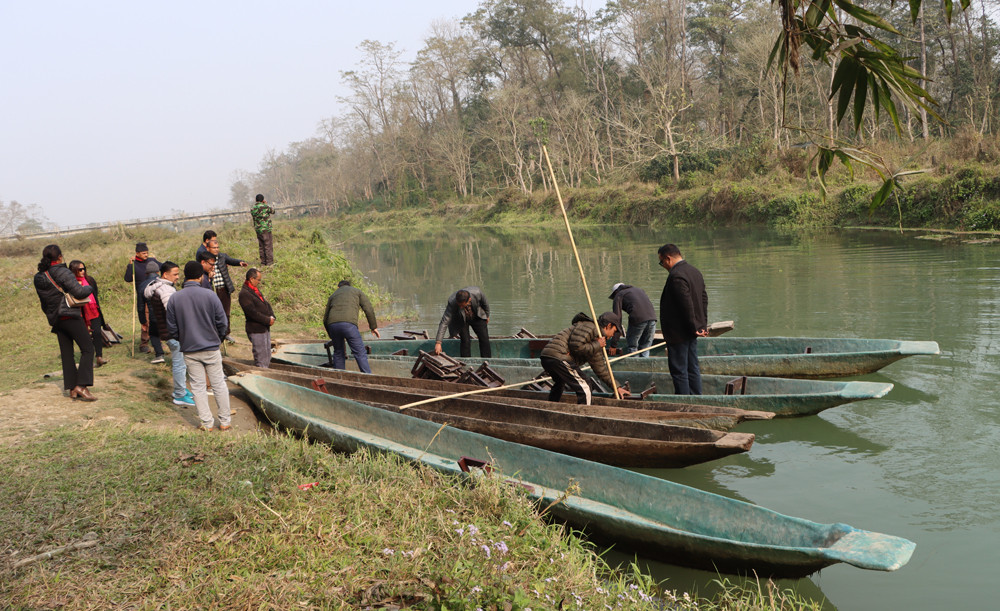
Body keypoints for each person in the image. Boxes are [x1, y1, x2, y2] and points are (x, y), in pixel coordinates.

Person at [166, 261, 232, 431]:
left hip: (189, 349)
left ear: (185, 277)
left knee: (197, 387)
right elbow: (222, 322)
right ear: (200, 276)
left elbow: (171, 328)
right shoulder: (210, 295)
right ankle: (225, 421)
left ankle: (206, 423)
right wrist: (217, 337)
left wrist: (184, 339)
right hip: (211, 347)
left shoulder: (175, 298)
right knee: (218, 384)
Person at [33, 244, 97, 401]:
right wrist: (89, 286)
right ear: (60, 257)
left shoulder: (39, 277)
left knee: (67, 353)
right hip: (69, 315)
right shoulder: (62, 272)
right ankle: (81, 386)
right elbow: (80, 292)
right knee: (88, 348)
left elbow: (44, 302)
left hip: (55, 318)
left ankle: (72, 388)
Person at [539, 312, 629, 405]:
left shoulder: (597, 341)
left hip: (548, 357)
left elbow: (601, 369)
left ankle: (551, 407)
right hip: (559, 356)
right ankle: (583, 415)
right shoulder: (590, 327)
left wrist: (616, 387)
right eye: (614, 331)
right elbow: (576, 346)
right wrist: (597, 344)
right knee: (585, 386)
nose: (613, 335)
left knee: (560, 382)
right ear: (608, 326)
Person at [658, 243, 709, 395]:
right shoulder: (695, 271)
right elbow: (703, 299)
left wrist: (694, 326)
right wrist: (701, 325)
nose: (663, 266)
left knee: (679, 370)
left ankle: (685, 401)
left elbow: (685, 304)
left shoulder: (676, 275)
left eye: (662, 262)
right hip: (692, 330)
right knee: (692, 367)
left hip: (679, 332)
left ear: (668, 259)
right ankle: (696, 398)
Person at [144, 261, 195, 407]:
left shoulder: (159, 287)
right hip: (172, 332)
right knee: (179, 364)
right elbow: (173, 311)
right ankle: (179, 394)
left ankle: (181, 389)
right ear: (165, 274)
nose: (178, 277)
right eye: (175, 274)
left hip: (166, 330)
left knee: (180, 363)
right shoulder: (166, 290)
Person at [322, 280, 381, 372]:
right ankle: (367, 376)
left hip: (332, 325)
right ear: (349, 286)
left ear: (338, 287)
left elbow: (325, 319)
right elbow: (368, 309)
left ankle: (339, 379)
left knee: (338, 352)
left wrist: (332, 335)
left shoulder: (333, 295)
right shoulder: (357, 291)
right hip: (349, 325)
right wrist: (373, 327)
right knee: (360, 352)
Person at [205, 237, 247, 343]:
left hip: (223, 289)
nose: (216, 250)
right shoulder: (205, 259)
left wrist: (239, 262)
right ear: (208, 248)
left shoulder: (222, 256)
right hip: (212, 290)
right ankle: (215, 333)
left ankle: (226, 333)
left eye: (217, 247)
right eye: (214, 248)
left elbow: (231, 260)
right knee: (214, 313)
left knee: (226, 312)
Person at [69, 260, 110, 367]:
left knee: (96, 332)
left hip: (93, 310)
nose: (83, 271)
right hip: (80, 312)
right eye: (80, 269)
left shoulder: (90, 280)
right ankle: (88, 358)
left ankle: (99, 357)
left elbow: (95, 294)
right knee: (85, 336)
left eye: (84, 269)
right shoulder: (71, 283)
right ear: (74, 271)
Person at [123, 242, 160, 353]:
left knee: (158, 319)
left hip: (155, 293)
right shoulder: (134, 264)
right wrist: (130, 265)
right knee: (146, 321)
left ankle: (158, 342)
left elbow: (163, 267)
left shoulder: (151, 261)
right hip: (143, 296)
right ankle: (144, 344)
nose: (146, 255)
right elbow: (128, 278)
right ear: (137, 253)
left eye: (147, 252)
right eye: (144, 253)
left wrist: (156, 261)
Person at [433, 287, 491, 358]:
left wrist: (487, 315)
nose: (460, 307)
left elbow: (485, 304)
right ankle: (466, 362)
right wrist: (438, 342)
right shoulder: (452, 302)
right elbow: (444, 322)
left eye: (462, 305)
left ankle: (487, 360)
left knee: (484, 338)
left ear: (469, 300)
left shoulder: (477, 292)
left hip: (476, 315)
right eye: (459, 305)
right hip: (460, 319)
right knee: (465, 341)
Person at [238, 268, 276, 368]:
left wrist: (272, 316)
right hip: (256, 329)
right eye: (258, 280)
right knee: (261, 357)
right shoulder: (244, 294)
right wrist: (267, 320)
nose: (259, 282)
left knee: (267, 354)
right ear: (251, 279)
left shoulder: (254, 290)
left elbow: (265, 304)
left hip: (264, 327)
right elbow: (252, 313)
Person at [609, 282, 658, 358]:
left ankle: (636, 364)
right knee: (646, 347)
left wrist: (613, 345)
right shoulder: (639, 290)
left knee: (632, 346)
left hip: (638, 319)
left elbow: (617, 320)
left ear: (616, 292)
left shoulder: (619, 295)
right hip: (653, 318)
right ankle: (645, 364)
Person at [138, 260, 166, 363]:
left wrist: (143, 321)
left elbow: (140, 306)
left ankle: (159, 354)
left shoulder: (142, 286)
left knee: (153, 333)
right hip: (166, 312)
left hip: (153, 315)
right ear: (158, 272)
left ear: (146, 273)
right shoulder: (163, 282)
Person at [251, 194, 275, 265]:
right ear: (263, 200)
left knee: (261, 246)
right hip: (266, 229)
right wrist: (266, 204)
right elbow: (273, 211)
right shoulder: (265, 207)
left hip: (258, 230)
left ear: (256, 200)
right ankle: (269, 262)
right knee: (268, 245)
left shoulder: (253, 208)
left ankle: (263, 262)